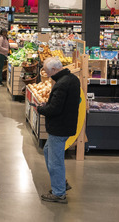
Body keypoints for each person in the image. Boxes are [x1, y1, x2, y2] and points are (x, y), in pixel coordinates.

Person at [36, 57, 80, 204]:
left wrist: (41, 108)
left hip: (59, 127)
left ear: (55, 69)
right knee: (49, 151)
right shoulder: (72, 78)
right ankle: (61, 182)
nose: (47, 74)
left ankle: (59, 192)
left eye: (48, 71)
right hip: (66, 124)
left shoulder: (61, 84)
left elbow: (55, 109)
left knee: (56, 161)